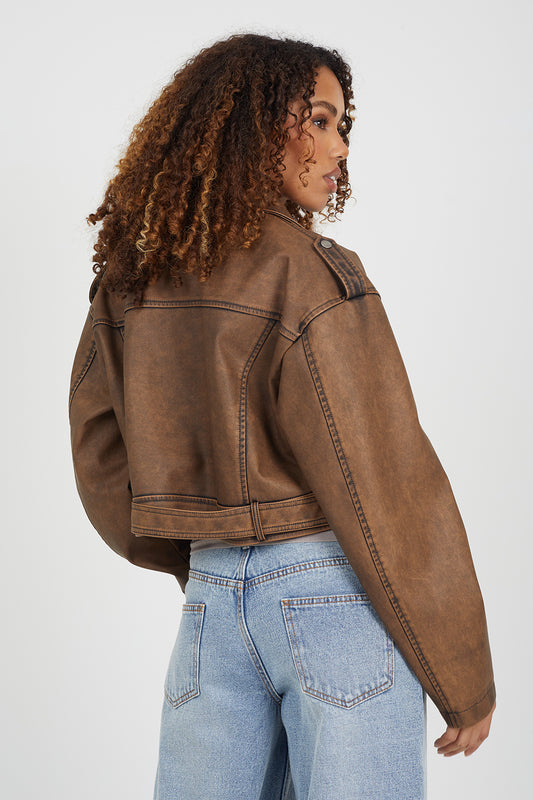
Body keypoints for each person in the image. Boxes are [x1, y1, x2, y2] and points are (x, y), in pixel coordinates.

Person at [69, 32, 496, 799]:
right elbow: (385, 482)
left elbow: (100, 453)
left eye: (342, 126)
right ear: (255, 127)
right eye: (320, 121)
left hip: (210, 598)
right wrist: (462, 673)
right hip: (331, 595)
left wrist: (206, 562)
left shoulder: (134, 275)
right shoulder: (310, 272)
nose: (339, 149)